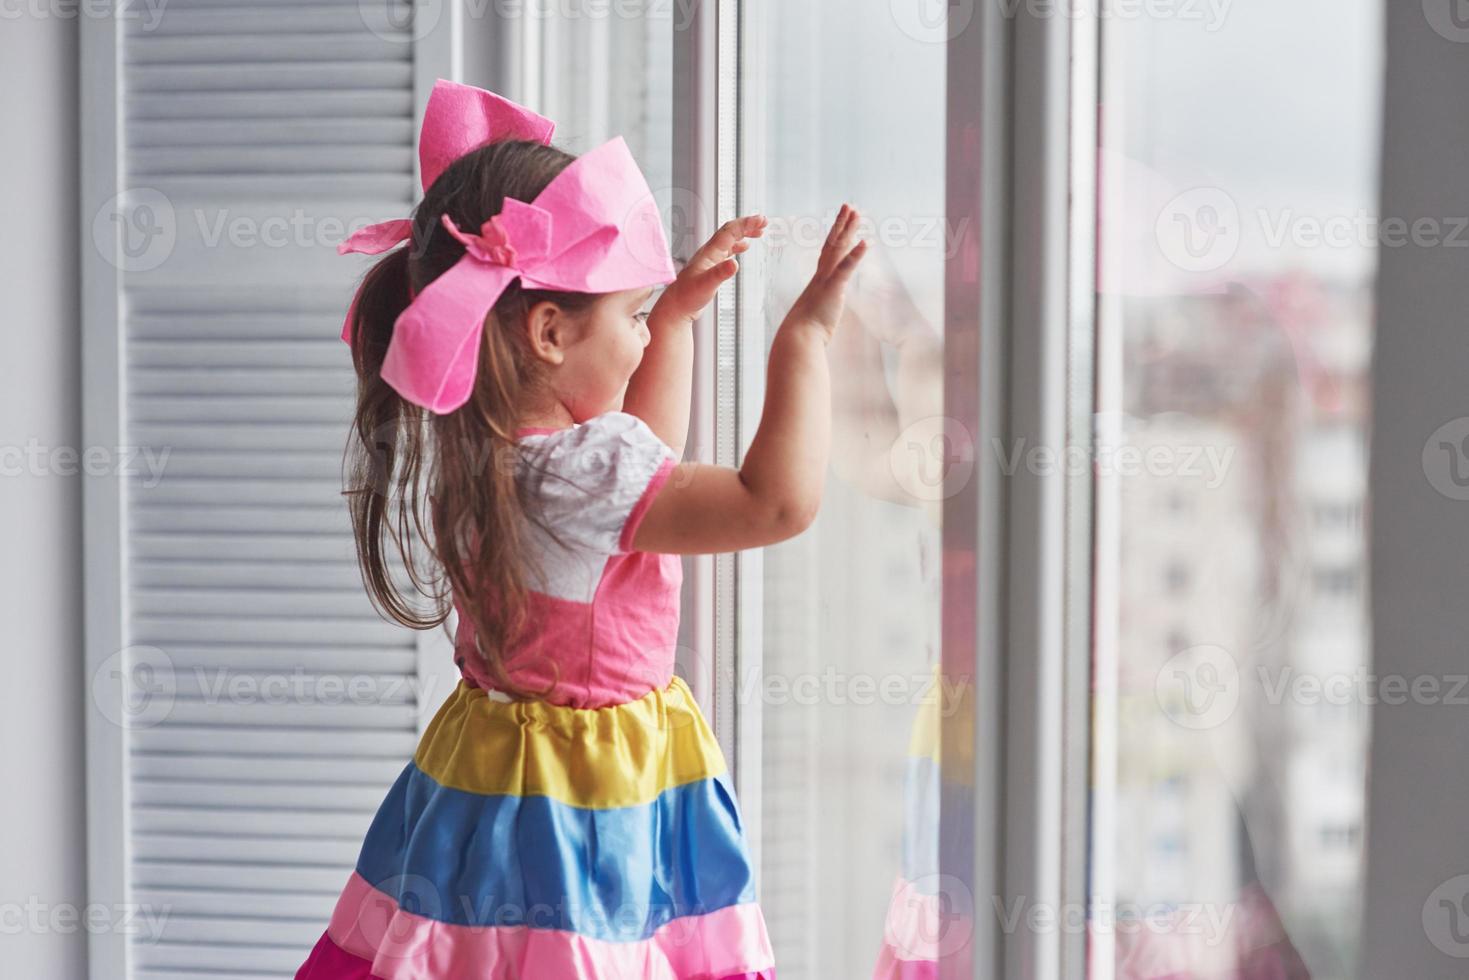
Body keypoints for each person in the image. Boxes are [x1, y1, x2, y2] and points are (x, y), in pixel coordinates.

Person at [291, 78, 867, 980]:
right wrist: (804, 340)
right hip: (585, 797)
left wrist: (669, 318)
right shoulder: (579, 476)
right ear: (549, 333)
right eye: (632, 318)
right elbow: (773, 503)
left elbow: (639, 449)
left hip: (489, 772)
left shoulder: (490, 449)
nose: (641, 338)